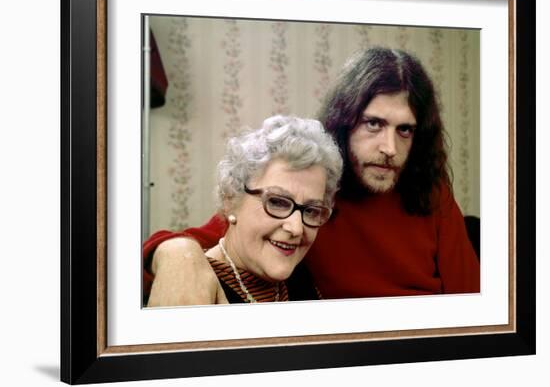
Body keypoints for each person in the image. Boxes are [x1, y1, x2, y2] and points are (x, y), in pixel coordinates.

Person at [144, 47, 480, 305]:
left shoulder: (431, 191)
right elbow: (236, 229)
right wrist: (178, 254)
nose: (389, 147)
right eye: (374, 123)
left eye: (404, 129)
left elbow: (474, 299)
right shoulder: (312, 193)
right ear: (346, 121)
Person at [146, 115, 343, 306]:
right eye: (277, 202)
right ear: (230, 199)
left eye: (310, 210)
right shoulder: (187, 288)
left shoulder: (301, 278)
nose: (297, 228)